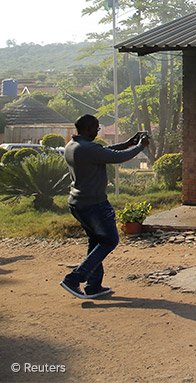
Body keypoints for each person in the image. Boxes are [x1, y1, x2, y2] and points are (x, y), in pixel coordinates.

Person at [60, 115, 149, 299]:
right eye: (96, 129)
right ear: (87, 129)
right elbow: (118, 157)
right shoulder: (86, 148)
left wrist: (127, 143)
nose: (97, 132)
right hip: (94, 204)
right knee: (109, 241)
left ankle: (94, 286)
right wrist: (139, 147)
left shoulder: (73, 145)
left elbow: (104, 151)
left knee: (96, 242)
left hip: (78, 203)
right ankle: (74, 278)